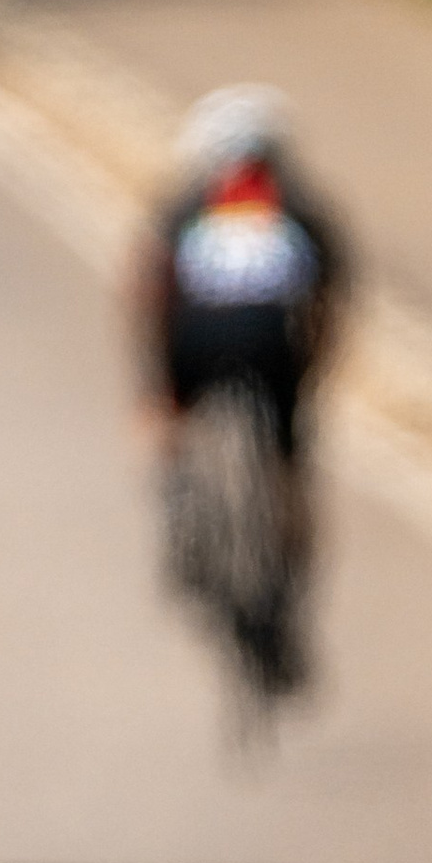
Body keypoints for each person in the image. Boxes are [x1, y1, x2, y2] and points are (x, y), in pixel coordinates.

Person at [138, 85, 350, 692]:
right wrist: (315, 376)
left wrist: (155, 392)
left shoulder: (187, 206)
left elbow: (151, 294)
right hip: (274, 348)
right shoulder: (301, 207)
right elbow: (328, 302)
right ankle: (289, 584)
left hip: (194, 342)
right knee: (290, 470)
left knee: (170, 423)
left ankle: (178, 498)